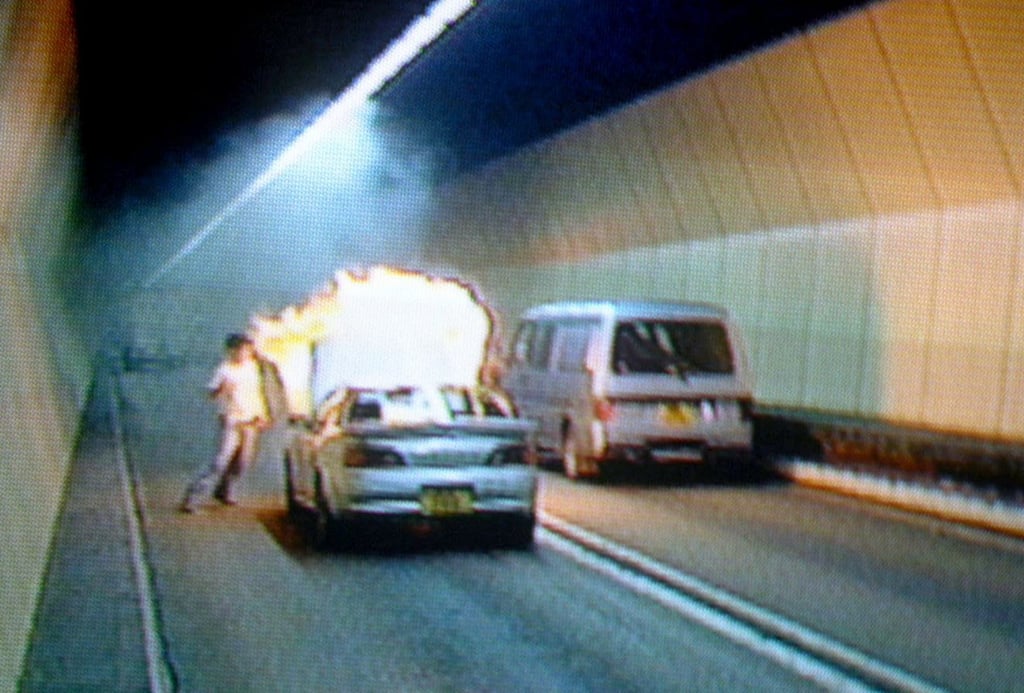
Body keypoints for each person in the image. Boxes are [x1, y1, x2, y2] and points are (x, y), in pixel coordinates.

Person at [180, 333, 271, 513]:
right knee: (220, 462)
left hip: (250, 421)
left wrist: (262, 414)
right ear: (232, 351)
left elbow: (257, 393)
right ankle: (192, 498)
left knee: (243, 462)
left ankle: (225, 490)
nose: (246, 354)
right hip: (232, 421)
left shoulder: (252, 367)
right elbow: (212, 393)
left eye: (248, 350)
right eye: (242, 350)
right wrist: (222, 389)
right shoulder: (225, 370)